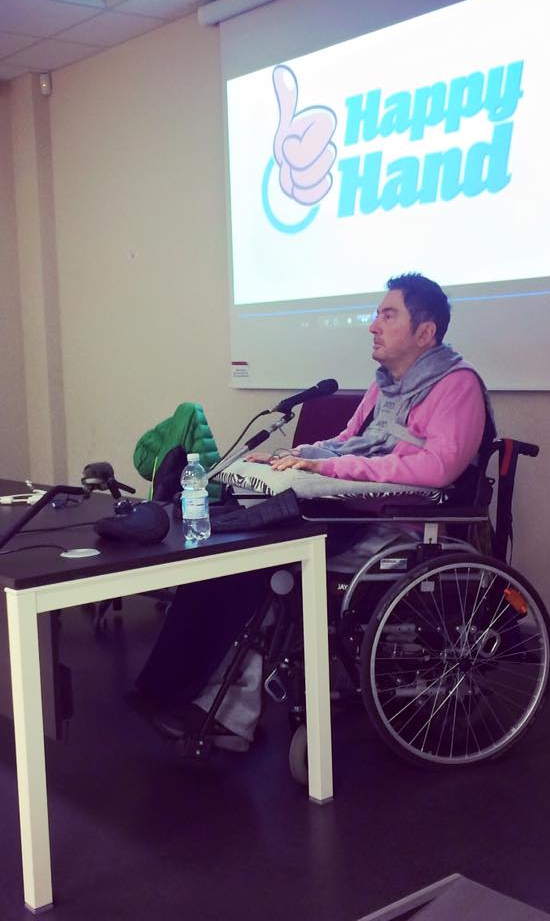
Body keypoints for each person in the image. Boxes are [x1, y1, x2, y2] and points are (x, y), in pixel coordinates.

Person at [132, 273, 490, 752]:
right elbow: (344, 442)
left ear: (425, 332)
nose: (373, 326)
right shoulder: (386, 387)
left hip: (393, 526)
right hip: (344, 513)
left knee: (257, 561)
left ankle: (228, 716)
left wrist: (331, 466)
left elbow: (438, 468)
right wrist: (295, 455)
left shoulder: (457, 386)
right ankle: (166, 689)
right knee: (226, 550)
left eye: (388, 315)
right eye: (376, 315)